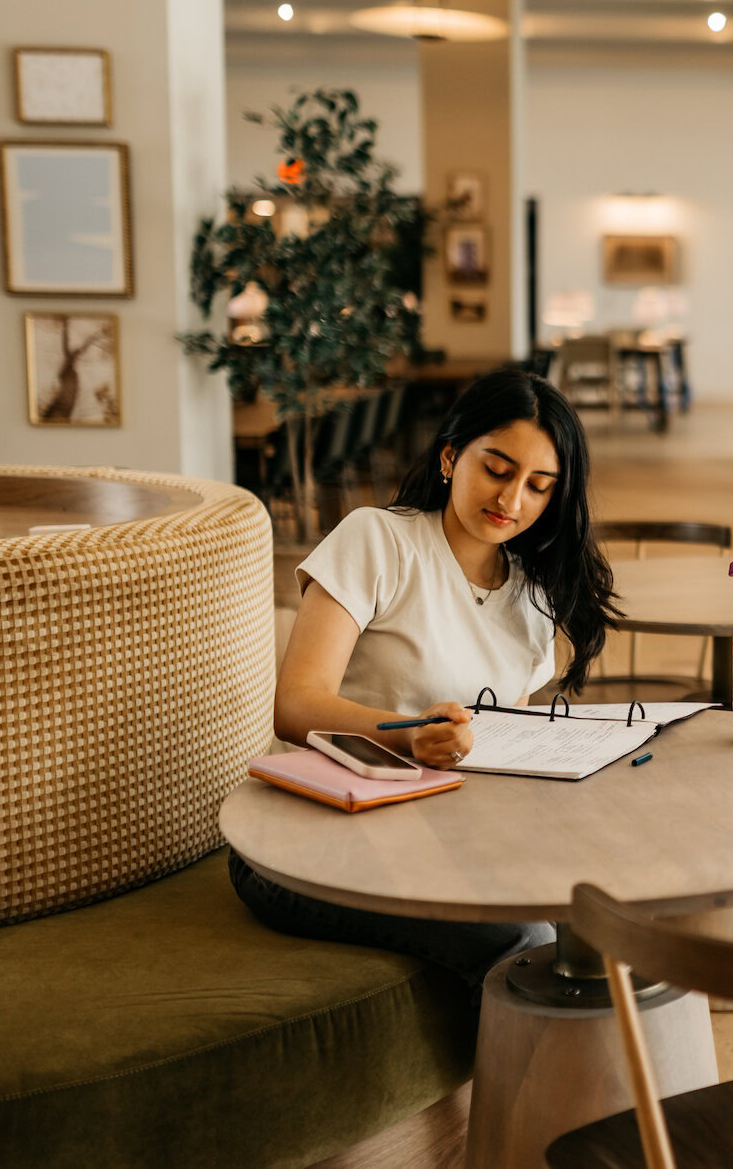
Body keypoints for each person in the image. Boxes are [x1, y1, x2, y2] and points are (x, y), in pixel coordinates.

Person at [228, 369, 619, 995]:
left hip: (437, 839)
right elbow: (295, 705)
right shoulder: (377, 541)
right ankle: (522, 1095)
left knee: (603, 918)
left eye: (539, 486)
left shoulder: (532, 593)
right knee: (530, 945)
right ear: (449, 455)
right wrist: (412, 738)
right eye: (497, 469)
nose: (512, 500)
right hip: (303, 846)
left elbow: (498, 745)